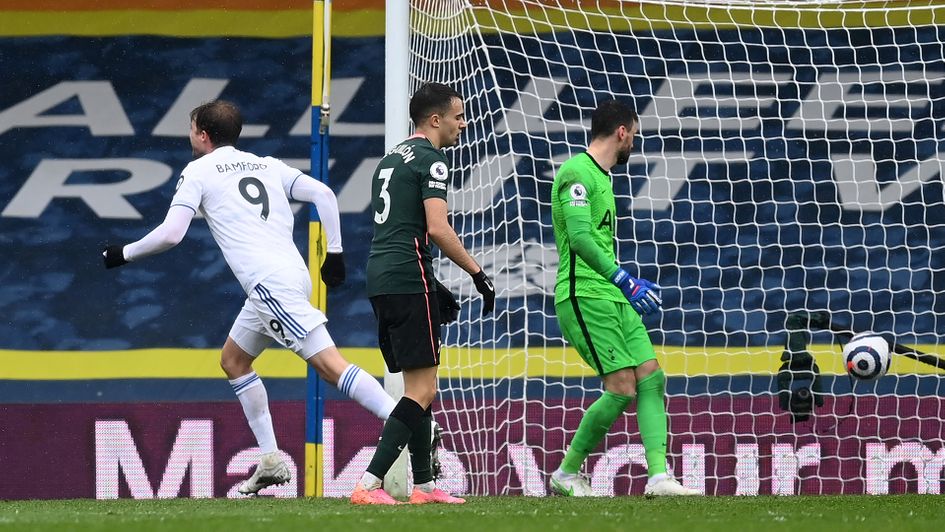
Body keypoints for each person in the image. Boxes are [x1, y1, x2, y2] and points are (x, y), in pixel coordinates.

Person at [101, 100, 404, 496]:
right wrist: (336, 252)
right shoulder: (267, 164)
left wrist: (122, 253)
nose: (190, 134)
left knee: (331, 367)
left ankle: (408, 421)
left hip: (269, 286)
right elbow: (325, 194)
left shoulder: (198, 171)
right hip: (290, 277)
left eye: (191, 128)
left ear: (203, 134)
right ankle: (272, 460)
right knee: (234, 360)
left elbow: (171, 234)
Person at [350, 82, 495, 505]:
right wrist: (477, 272)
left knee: (420, 384)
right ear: (436, 120)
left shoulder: (391, 157)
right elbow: (437, 228)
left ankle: (425, 486)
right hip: (408, 277)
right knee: (422, 390)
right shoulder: (432, 160)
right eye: (458, 116)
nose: (463, 125)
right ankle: (369, 484)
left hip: (383, 276)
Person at [548, 99, 699, 497]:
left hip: (612, 294)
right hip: (584, 296)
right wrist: (624, 279)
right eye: (634, 133)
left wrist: (621, 285)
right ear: (622, 132)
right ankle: (566, 473)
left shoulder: (602, 177)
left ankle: (659, 477)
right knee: (620, 386)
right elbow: (579, 239)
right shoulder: (576, 173)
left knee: (651, 375)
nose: (634, 141)